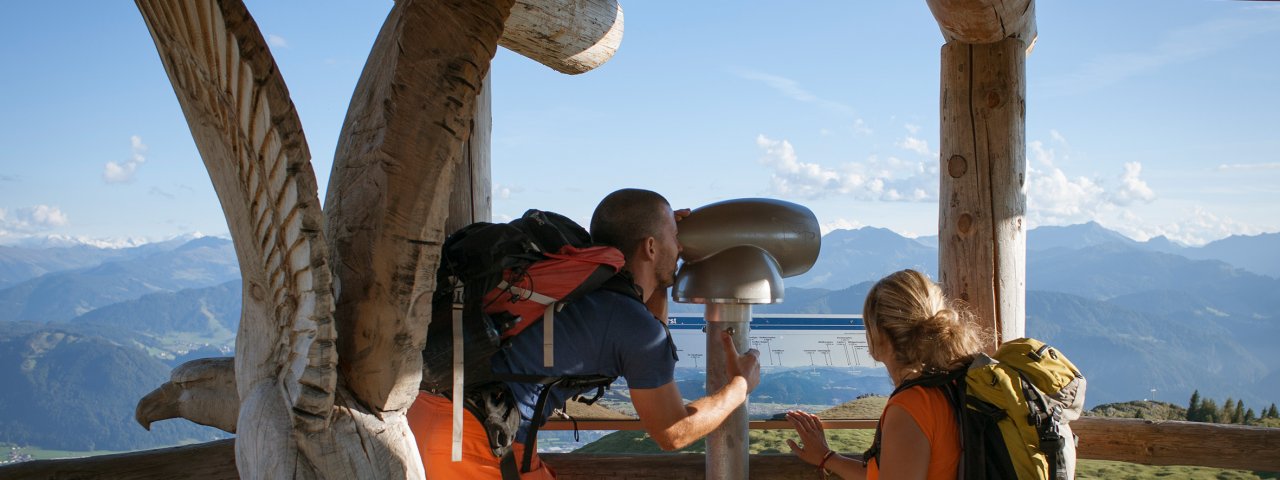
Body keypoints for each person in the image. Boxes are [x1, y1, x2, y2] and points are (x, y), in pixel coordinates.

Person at [408, 188, 762, 479]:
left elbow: (645, 328)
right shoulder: (628, 321)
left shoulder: (595, 292)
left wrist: (661, 261)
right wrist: (739, 387)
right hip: (472, 440)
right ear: (651, 248)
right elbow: (672, 431)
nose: (681, 246)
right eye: (674, 238)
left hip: (433, 414)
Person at [785, 269, 989, 479]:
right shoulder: (955, 383)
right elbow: (897, 469)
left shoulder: (911, 407)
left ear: (880, 335)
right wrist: (828, 458)